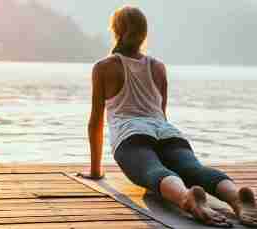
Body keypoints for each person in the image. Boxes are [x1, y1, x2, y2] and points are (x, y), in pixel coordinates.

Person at [77, 5, 257, 228]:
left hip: (130, 137)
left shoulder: (103, 67)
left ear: (116, 30)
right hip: (168, 133)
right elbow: (162, 113)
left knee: (154, 171)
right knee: (194, 170)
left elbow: (96, 121)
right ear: (144, 33)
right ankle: (236, 196)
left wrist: (95, 172)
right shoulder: (158, 67)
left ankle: (186, 198)